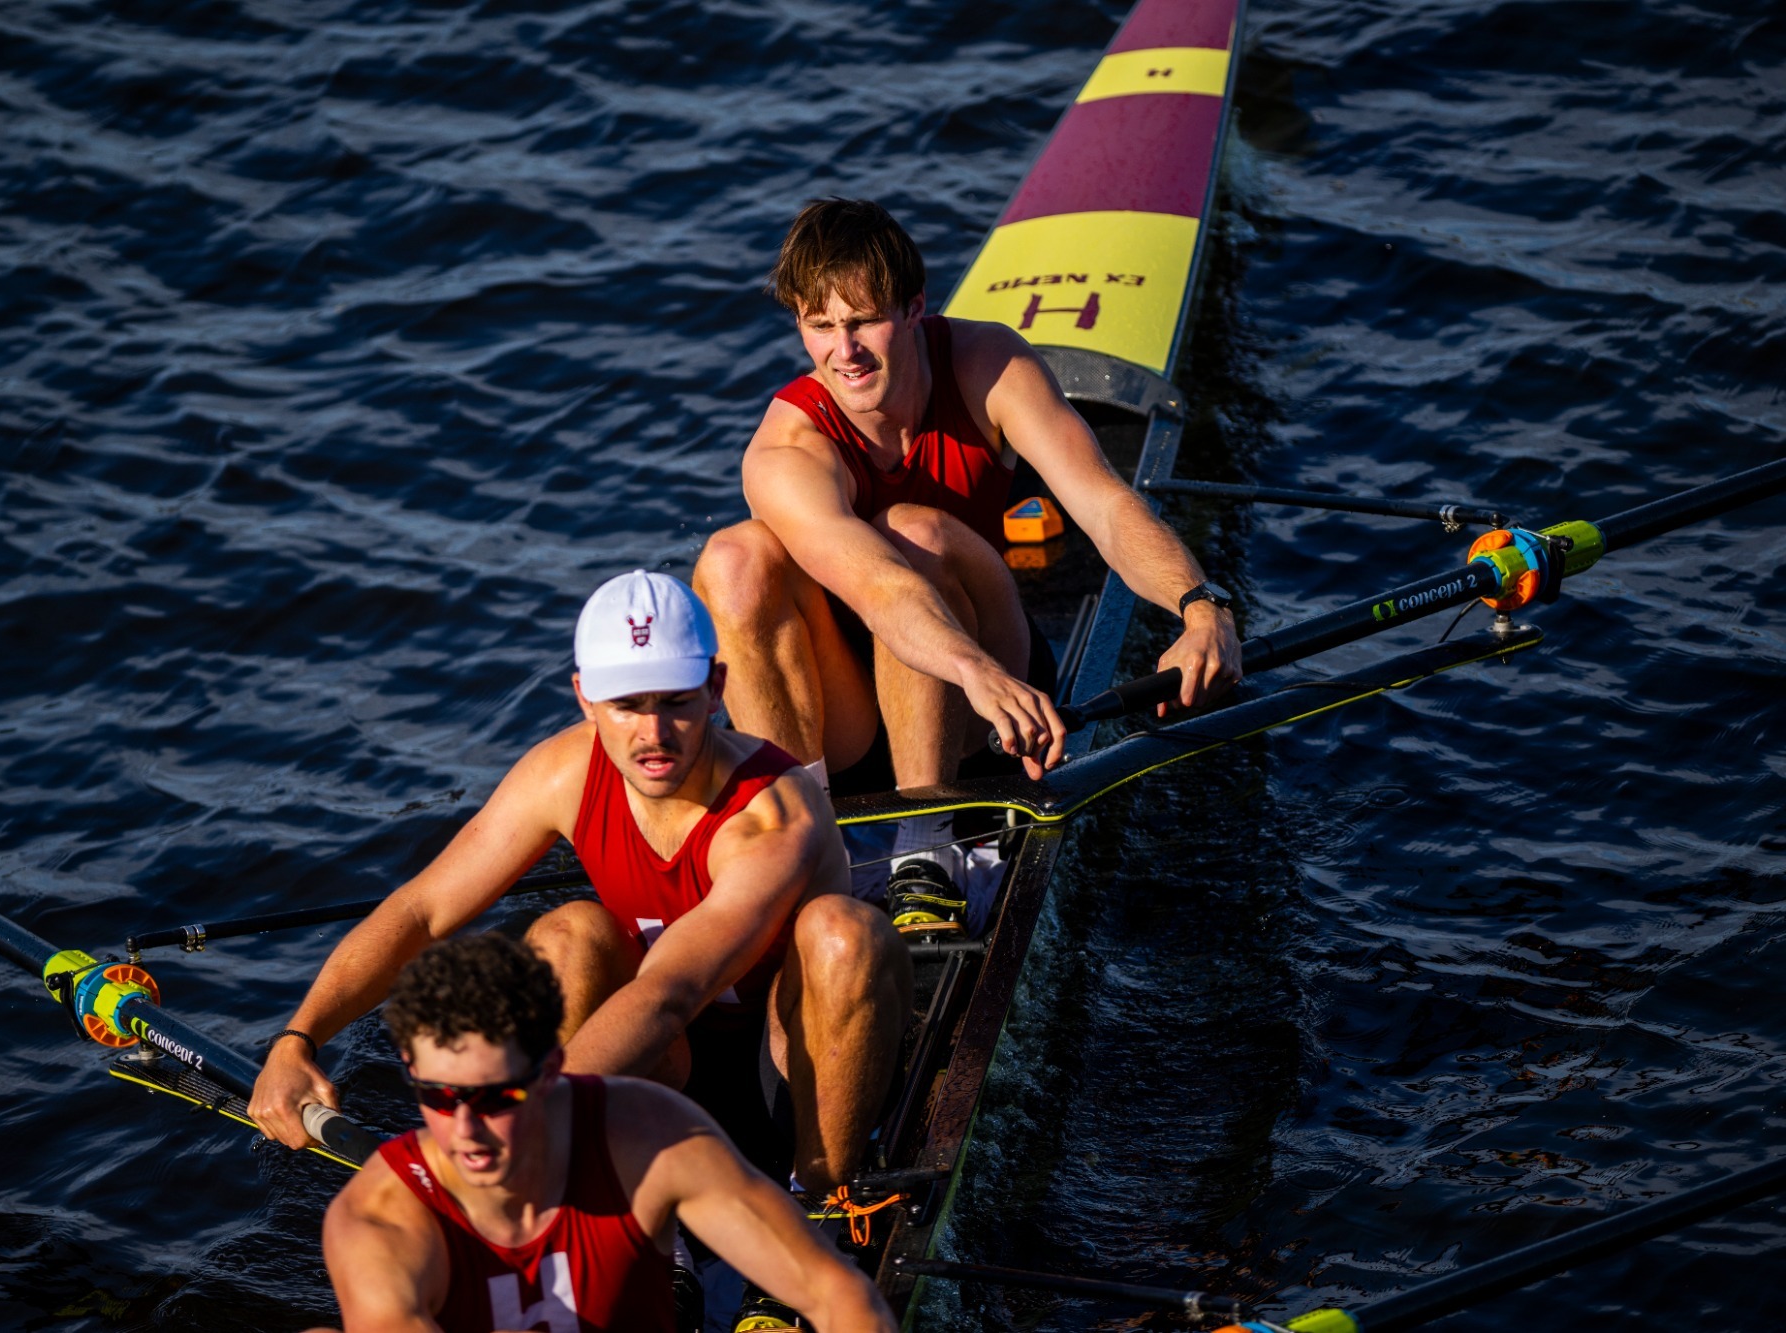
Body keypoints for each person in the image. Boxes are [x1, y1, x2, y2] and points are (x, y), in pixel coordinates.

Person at [252, 570, 912, 1201]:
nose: (653, 735)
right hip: (666, 1070)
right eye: (626, 706)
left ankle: (822, 1202)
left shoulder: (772, 810)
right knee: (570, 931)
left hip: (788, 1071)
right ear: (584, 698)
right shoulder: (561, 773)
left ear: (716, 688)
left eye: (677, 703)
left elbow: (668, 994)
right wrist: (299, 1038)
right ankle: (606, 1197)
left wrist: (516, 1117)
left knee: (844, 934)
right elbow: (422, 909)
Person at [690, 198, 1242, 921]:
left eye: (863, 321)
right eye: (819, 326)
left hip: (996, 679)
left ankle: (926, 852)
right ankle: (805, 848)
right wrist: (964, 669)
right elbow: (877, 587)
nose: (843, 351)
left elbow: (1104, 506)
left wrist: (1200, 604)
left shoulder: (991, 364)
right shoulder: (787, 449)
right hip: (881, 704)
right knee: (733, 559)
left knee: (911, 528)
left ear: (916, 306)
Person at [311, 932, 896, 1333]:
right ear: (413, 1074)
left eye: (496, 1097)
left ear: (548, 1071)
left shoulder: (648, 1134)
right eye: (440, 1096)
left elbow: (837, 1296)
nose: (466, 1131)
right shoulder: (379, 1218)